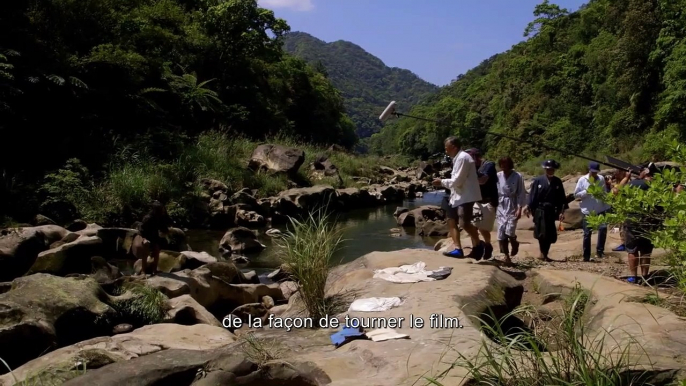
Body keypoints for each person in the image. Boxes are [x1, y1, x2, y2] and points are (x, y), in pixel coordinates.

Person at [433, 136, 484, 259]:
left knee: (464, 223)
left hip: (465, 196)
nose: (446, 151)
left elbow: (458, 181)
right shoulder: (457, 158)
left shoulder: (463, 158)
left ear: (454, 147)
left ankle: (478, 243)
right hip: (457, 195)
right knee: (452, 220)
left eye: (447, 148)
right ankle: (459, 249)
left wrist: (442, 182)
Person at [615, 165, 660, 284]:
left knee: (632, 250)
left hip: (633, 221)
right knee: (646, 251)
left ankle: (633, 277)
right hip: (651, 222)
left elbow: (615, 192)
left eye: (641, 171)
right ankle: (645, 277)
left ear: (645, 172)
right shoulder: (658, 186)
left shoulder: (635, 184)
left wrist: (626, 178)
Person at [524, 159, 567, 262]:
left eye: (552, 169)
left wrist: (561, 211)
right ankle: (542, 251)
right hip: (540, 209)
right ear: (545, 169)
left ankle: (545, 253)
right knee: (540, 232)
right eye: (548, 169)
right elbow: (533, 195)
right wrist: (528, 207)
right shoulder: (538, 180)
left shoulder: (557, 181)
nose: (550, 171)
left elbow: (561, 198)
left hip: (551, 210)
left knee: (549, 233)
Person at [574, 162, 611, 262]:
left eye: (596, 172)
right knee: (587, 233)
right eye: (592, 172)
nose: (594, 174)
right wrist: (586, 192)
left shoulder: (601, 179)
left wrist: (607, 205)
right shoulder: (582, 180)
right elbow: (576, 195)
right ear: (589, 170)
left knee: (603, 229)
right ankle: (586, 255)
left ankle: (600, 251)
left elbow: (604, 193)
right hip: (588, 210)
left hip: (600, 209)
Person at [466, 148, 498, 259]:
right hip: (476, 201)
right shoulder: (471, 168)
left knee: (483, 228)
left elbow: (482, 180)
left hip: (489, 201)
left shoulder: (489, 165)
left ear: (476, 157)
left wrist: (472, 170)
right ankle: (476, 249)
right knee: (473, 227)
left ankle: (488, 245)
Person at [495, 156, 527, 265]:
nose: (504, 167)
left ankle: (514, 242)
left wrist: (519, 208)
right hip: (500, 205)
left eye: (506, 165)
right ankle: (506, 256)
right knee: (501, 232)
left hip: (512, 204)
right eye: (502, 165)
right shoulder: (498, 176)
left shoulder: (518, 176)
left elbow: (521, 193)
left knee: (510, 230)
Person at [137, 200, 172, 275]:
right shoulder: (147, 218)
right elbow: (141, 230)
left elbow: (163, 227)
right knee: (145, 251)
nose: (163, 211)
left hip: (154, 236)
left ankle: (154, 270)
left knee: (156, 250)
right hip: (145, 236)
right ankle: (143, 271)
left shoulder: (160, 217)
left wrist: (167, 231)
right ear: (156, 210)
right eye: (161, 209)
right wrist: (144, 239)